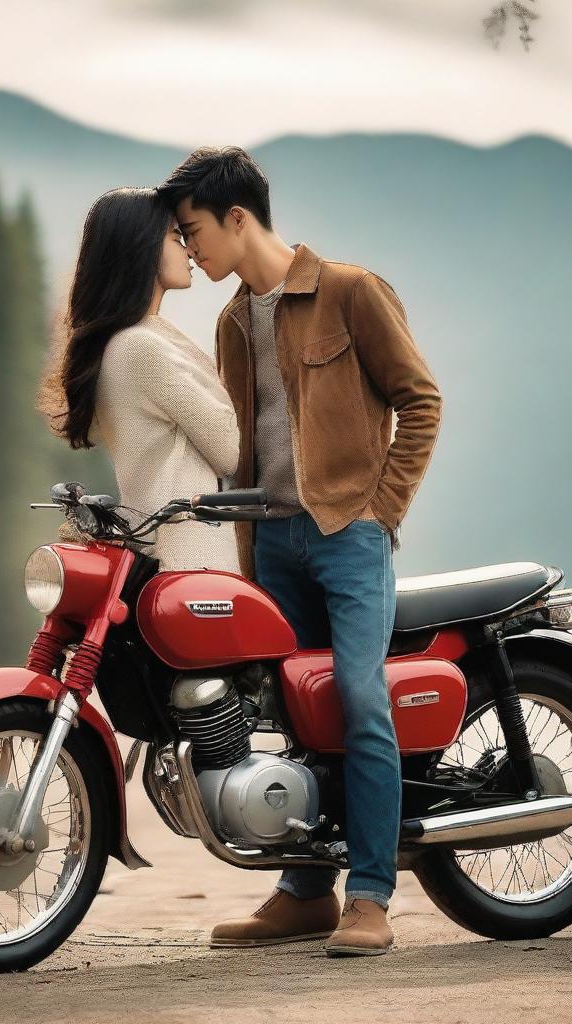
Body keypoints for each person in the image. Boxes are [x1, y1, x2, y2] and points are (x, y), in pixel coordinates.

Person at [157, 146, 444, 957]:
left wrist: (380, 511)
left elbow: (420, 401)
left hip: (347, 535)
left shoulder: (351, 291)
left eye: (194, 230)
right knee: (290, 714)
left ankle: (371, 896)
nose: (190, 248)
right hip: (270, 543)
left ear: (237, 218)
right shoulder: (231, 322)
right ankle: (306, 892)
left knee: (358, 698)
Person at [38, 186, 241, 572]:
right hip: (190, 556)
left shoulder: (124, 341)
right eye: (175, 237)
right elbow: (229, 448)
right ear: (142, 247)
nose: (189, 250)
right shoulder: (141, 347)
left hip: (161, 551)